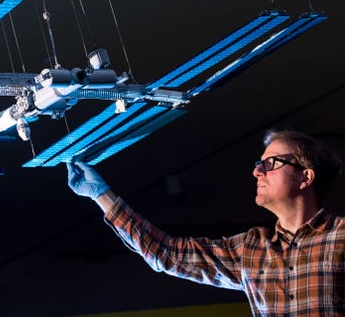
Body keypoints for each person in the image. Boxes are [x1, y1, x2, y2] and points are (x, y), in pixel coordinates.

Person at [66, 129, 344, 316]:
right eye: (259, 163)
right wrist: (102, 195)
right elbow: (168, 254)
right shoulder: (252, 248)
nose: (257, 171)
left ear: (306, 178)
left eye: (271, 163)